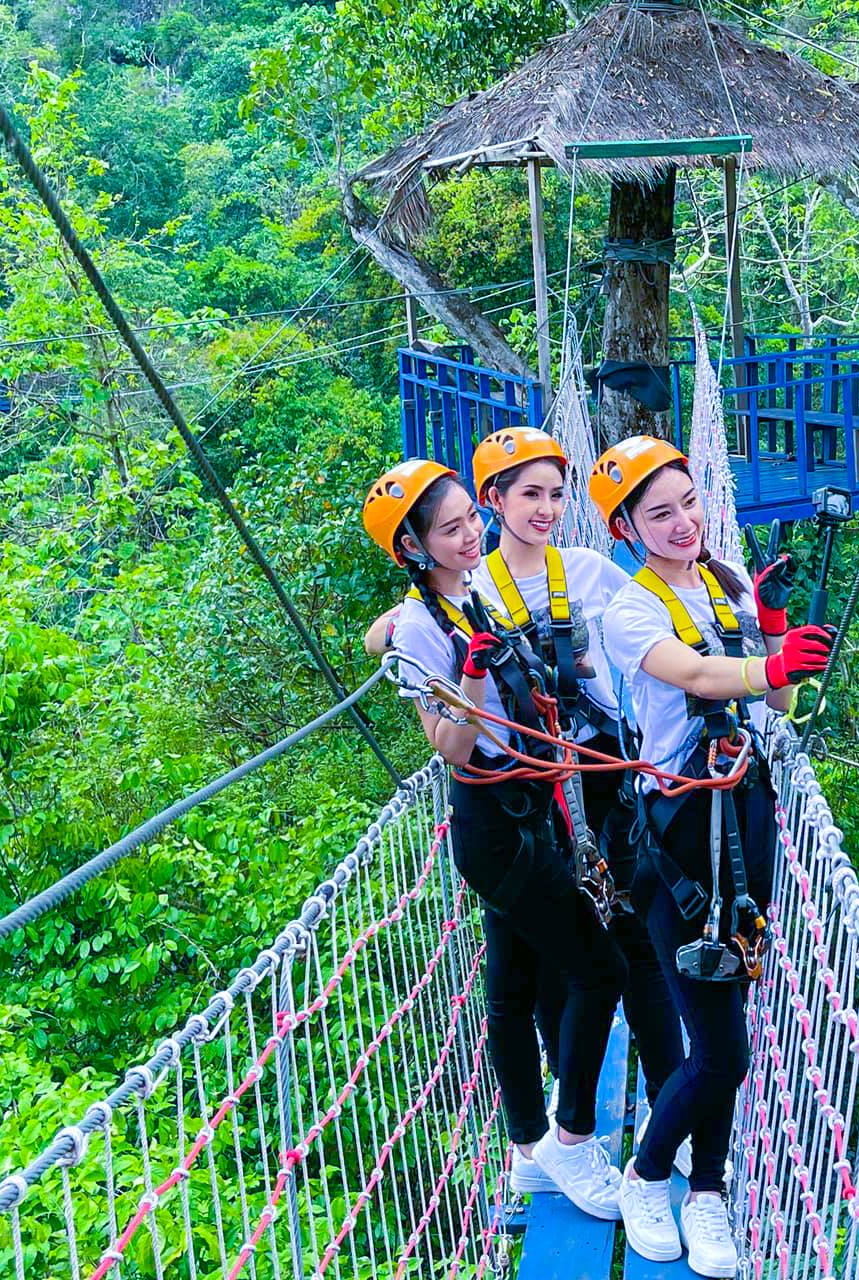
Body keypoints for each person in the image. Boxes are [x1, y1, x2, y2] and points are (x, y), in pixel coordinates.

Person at [589, 435, 836, 1276]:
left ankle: (708, 1192)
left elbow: (784, 700)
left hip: (747, 815)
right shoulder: (630, 607)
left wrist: (772, 631)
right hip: (678, 838)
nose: (685, 522)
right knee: (722, 1049)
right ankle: (647, 1174)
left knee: (725, 1027)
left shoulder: (724, 583)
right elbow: (692, 675)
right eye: (661, 513)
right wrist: (766, 659)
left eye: (690, 502)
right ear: (625, 528)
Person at [359, 458, 625, 1221]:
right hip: (493, 826)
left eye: (470, 520)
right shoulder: (419, 628)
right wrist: (471, 678)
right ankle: (571, 1143)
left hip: (532, 804)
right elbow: (450, 743)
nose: (472, 533)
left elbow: (381, 630)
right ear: (415, 548)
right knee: (596, 967)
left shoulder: (475, 591)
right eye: (451, 529)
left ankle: (528, 1152)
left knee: (514, 987)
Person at [464, 426, 690, 1150]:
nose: (547, 508)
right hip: (524, 797)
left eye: (556, 494)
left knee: (634, 940)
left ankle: (668, 1103)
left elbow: (659, 603)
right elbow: (399, 634)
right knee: (557, 959)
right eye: (530, 493)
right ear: (491, 501)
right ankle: (574, 1115)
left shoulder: (590, 569)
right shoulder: (467, 590)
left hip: (600, 777)